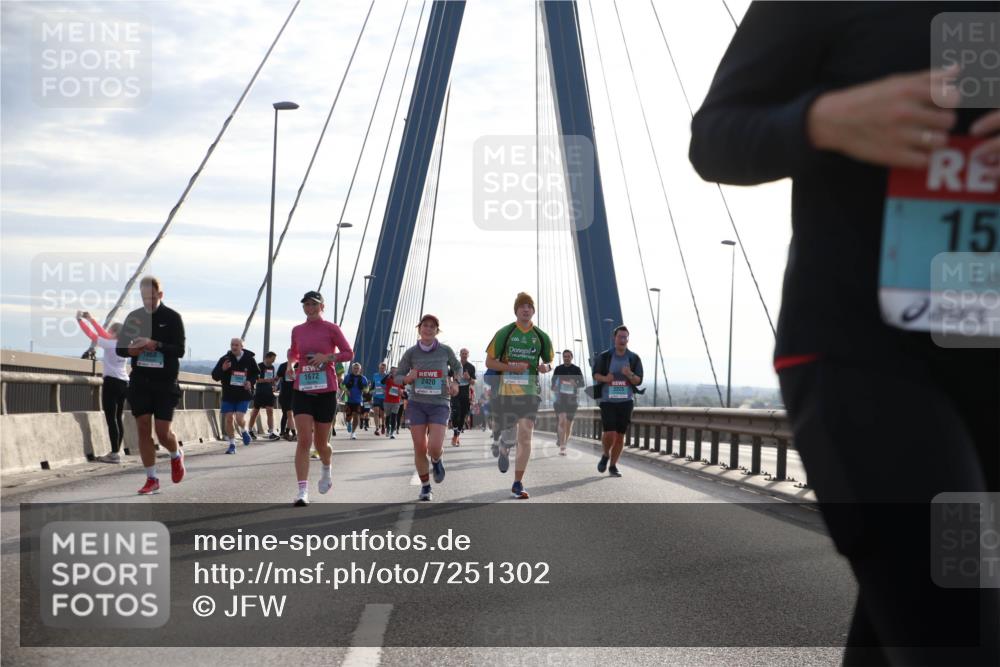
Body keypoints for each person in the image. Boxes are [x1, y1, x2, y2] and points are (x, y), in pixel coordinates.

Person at [689, 4, 999, 664]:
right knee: (961, 622)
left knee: (915, 625)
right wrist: (823, 119)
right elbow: (714, 136)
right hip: (864, 353)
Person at [115, 276, 185, 495]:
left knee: (162, 433)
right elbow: (120, 349)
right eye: (145, 297)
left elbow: (179, 350)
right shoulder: (134, 318)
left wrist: (157, 345)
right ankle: (151, 478)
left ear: (160, 295)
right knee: (143, 427)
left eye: (152, 297)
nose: (148, 301)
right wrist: (132, 351)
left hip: (165, 383)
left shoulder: (172, 317)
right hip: (140, 381)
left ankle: (176, 455)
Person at [288, 290, 353, 506]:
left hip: (326, 390)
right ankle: (302, 490)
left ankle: (326, 469)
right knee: (304, 439)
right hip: (302, 388)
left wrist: (327, 357)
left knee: (321, 443)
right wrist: (290, 364)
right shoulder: (297, 330)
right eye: (306, 304)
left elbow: (348, 353)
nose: (310, 308)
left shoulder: (331, 329)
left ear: (322, 306)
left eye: (314, 304)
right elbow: (294, 352)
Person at [485, 292, 553, 499]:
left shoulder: (541, 336)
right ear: (516, 310)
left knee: (526, 435)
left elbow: (550, 362)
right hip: (506, 393)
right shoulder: (505, 333)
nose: (526, 309)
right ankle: (504, 446)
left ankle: (517, 483)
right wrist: (510, 368)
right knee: (510, 435)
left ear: (533, 311)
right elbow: (489, 363)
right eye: (522, 306)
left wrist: (545, 367)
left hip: (530, 393)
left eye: (529, 306)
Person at [395, 314, 462, 501]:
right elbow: (398, 376)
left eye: (432, 326)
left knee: (433, 447)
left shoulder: (445, 351)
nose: (428, 329)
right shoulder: (410, 353)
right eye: (425, 325)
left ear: (436, 330)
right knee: (419, 447)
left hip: (439, 403)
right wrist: (408, 378)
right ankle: (425, 487)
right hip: (417, 404)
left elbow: (457, 367)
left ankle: (437, 459)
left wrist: (456, 382)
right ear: (419, 329)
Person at [76, 311, 130, 463]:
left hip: (111, 383)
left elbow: (92, 335)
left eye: (110, 331)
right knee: (118, 418)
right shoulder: (123, 345)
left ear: (113, 333)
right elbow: (102, 333)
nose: (107, 333)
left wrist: (80, 321)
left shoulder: (109, 344)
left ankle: (114, 454)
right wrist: (91, 319)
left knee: (111, 419)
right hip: (124, 383)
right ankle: (116, 452)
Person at [591, 327, 642, 477]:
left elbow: (638, 381)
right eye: (620, 337)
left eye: (625, 337)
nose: (622, 340)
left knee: (620, 435)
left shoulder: (633, 358)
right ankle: (606, 454)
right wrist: (606, 379)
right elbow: (595, 374)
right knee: (610, 432)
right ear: (614, 338)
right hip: (608, 400)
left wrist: (630, 374)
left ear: (628, 339)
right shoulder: (605, 357)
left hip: (626, 401)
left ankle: (613, 466)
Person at [211, 338, 259, 454]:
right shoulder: (225, 359)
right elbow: (215, 376)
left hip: (243, 393)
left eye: (236, 345)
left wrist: (250, 382)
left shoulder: (249, 359)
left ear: (242, 346)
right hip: (229, 393)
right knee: (228, 419)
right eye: (232, 345)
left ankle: (244, 430)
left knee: (238, 417)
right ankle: (232, 445)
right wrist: (223, 369)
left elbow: (256, 374)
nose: (234, 347)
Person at [550, 349, 585, 456]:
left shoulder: (576, 369)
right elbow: (553, 383)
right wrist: (555, 386)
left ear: (571, 357)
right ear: (563, 358)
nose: (566, 358)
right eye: (564, 356)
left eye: (568, 356)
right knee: (562, 420)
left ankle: (564, 442)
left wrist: (575, 384)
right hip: (560, 399)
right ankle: (562, 447)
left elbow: (582, 383)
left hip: (572, 400)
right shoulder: (558, 369)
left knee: (568, 425)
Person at [248, 351, 281, 440]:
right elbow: (257, 380)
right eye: (272, 359)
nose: (273, 361)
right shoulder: (259, 366)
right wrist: (268, 380)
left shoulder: (272, 367)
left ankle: (271, 432)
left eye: (274, 360)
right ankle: (250, 430)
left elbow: (272, 379)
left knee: (270, 411)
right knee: (255, 412)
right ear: (267, 357)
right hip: (260, 392)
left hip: (269, 392)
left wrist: (274, 384)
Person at [449, 348, 477, 446]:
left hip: (465, 392)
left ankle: (456, 436)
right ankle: (455, 435)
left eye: (466, 354)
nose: (464, 355)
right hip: (455, 392)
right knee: (455, 413)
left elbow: (474, 382)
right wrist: (450, 384)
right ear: (460, 354)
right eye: (463, 353)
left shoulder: (471, 367)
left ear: (468, 355)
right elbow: (448, 376)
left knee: (463, 415)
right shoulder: (455, 365)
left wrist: (468, 378)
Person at [342, 362, 369, 440]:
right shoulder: (348, 377)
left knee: (356, 417)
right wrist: (346, 390)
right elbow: (341, 385)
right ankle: (348, 423)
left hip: (358, 400)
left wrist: (365, 390)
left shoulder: (363, 378)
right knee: (348, 418)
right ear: (352, 369)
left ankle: (353, 433)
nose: (356, 370)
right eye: (354, 368)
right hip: (348, 400)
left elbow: (367, 389)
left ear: (360, 370)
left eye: (357, 368)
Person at [276, 358, 296, 441]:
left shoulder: (299, 364)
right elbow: (277, 378)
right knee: (289, 414)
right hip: (285, 394)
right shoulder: (283, 366)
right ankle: (294, 434)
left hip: (295, 394)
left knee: (287, 415)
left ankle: (285, 432)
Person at [381, 365, 403, 439]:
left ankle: (392, 432)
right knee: (388, 416)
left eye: (395, 370)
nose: (394, 372)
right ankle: (388, 428)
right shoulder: (388, 378)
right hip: (387, 400)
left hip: (396, 401)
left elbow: (403, 388)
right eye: (392, 370)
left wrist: (401, 392)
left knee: (394, 416)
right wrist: (388, 375)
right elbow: (382, 382)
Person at [371, 362, 388, 435]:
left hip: (384, 397)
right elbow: (372, 385)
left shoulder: (387, 376)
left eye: (383, 368)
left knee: (382, 413)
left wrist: (385, 390)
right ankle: (377, 428)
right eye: (381, 368)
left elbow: (390, 387)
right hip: (376, 396)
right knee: (376, 411)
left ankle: (383, 425)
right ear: (379, 368)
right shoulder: (375, 375)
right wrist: (371, 391)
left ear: (385, 369)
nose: (382, 369)